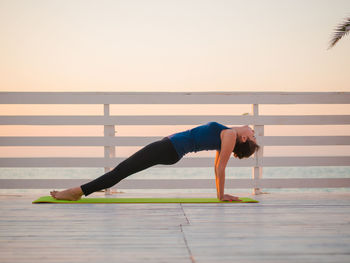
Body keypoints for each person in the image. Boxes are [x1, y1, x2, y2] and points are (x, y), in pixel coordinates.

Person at [50, 121, 260, 201]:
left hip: (169, 149)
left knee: (121, 171)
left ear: (243, 139)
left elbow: (220, 167)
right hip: (169, 149)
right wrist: (219, 194)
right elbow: (217, 166)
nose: (253, 132)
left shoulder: (230, 135)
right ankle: (78, 191)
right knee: (122, 170)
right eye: (254, 134)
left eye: (252, 136)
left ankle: (75, 192)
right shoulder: (227, 134)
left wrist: (221, 195)